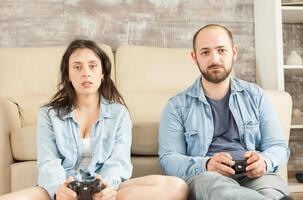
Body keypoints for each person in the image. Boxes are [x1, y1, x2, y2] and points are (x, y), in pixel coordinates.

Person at [0, 39, 187, 200]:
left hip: (107, 191)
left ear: (102, 74)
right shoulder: (49, 114)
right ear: (68, 74)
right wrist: (59, 190)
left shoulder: (119, 113)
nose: (86, 73)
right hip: (63, 190)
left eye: (92, 65)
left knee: (176, 187)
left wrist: (106, 188)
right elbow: (48, 161)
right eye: (77, 67)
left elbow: (118, 162)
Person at [159, 24, 291, 200]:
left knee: (273, 189)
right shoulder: (176, 106)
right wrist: (206, 164)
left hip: (255, 177)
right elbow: (169, 159)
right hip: (207, 178)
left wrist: (264, 162)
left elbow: (279, 146)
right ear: (194, 57)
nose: (215, 59)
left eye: (221, 50)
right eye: (205, 52)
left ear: (234, 52)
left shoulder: (256, 96)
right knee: (213, 186)